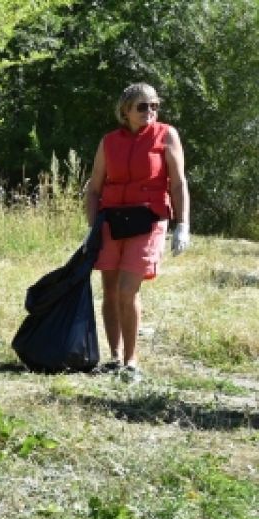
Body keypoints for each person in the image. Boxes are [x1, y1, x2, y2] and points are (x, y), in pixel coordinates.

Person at [84, 82, 190, 384]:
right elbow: (94, 188)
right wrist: (93, 227)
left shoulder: (166, 135)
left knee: (128, 289)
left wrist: (182, 224)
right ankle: (115, 357)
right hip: (112, 220)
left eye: (155, 105)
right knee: (110, 290)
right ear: (125, 110)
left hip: (149, 218)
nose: (150, 112)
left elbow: (179, 183)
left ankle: (131, 362)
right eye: (143, 106)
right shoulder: (109, 142)